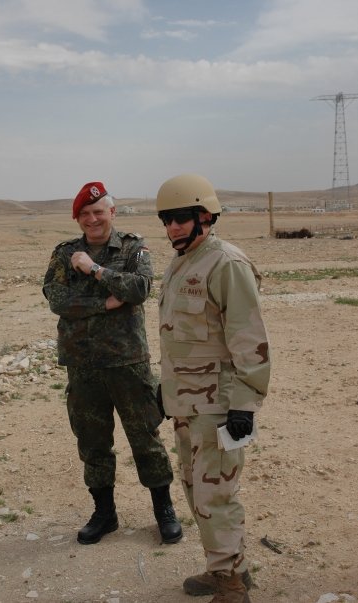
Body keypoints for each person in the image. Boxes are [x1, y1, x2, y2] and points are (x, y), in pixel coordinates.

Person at [43, 180, 182, 546]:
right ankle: (104, 514)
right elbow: (56, 298)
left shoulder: (134, 248)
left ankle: (164, 509)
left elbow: (139, 289)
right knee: (93, 443)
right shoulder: (64, 253)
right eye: (85, 214)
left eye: (98, 212)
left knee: (145, 438)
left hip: (128, 363)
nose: (92, 219)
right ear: (78, 219)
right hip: (83, 365)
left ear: (112, 212)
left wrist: (95, 270)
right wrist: (104, 303)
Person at [156, 174, 270, 603]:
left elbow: (250, 339)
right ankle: (228, 567)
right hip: (186, 403)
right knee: (196, 490)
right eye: (167, 220)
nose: (173, 228)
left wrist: (245, 403)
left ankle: (231, 588)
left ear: (205, 216)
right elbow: (180, 336)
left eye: (181, 218)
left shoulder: (227, 264)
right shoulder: (182, 261)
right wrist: (165, 389)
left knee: (216, 496)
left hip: (218, 406)